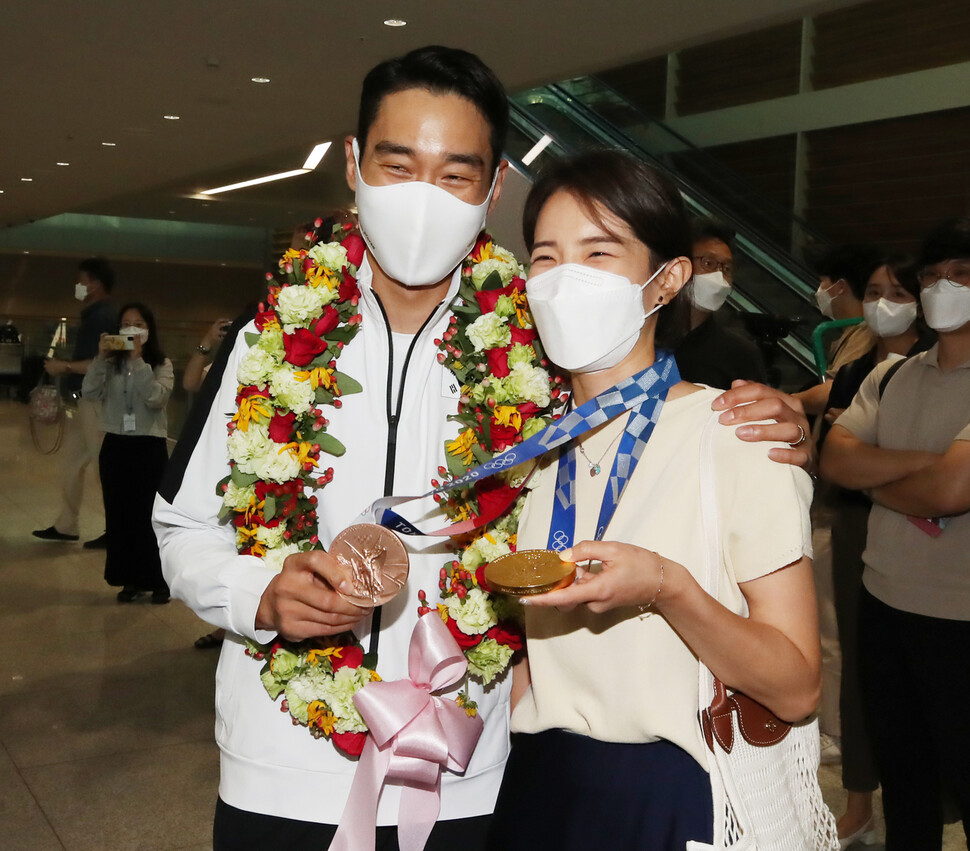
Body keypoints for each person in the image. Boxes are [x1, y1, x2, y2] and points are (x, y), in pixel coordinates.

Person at [153, 46, 816, 849]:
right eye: (398, 166)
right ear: (355, 164)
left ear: (494, 187)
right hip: (282, 762)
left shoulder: (539, 358)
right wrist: (257, 595)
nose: (423, 198)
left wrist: (784, 414)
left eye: (456, 174)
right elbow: (181, 529)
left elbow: (647, 397)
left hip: (471, 774)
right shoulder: (266, 342)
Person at [488, 150, 821, 850]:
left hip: (671, 792)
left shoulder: (735, 435)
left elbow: (796, 686)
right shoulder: (535, 451)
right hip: (541, 781)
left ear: (667, 279)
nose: (564, 277)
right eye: (546, 256)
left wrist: (671, 588)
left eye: (598, 251)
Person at [820, 217, 970, 851]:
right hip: (885, 603)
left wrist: (879, 478)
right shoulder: (895, 374)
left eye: (960, 277)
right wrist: (923, 463)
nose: (942, 289)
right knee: (904, 783)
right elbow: (836, 459)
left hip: (959, 617)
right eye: (933, 277)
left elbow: (950, 493)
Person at [817, 254, 934, 846]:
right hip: (862, 530)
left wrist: (870, 459)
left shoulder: (935, 370)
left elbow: (952, 485)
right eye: (873, 291)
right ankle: (862, 801)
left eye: (898, 291)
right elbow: (834, 457)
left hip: (938, 562)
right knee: (867, 669)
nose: (884, 302)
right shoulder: (868, 367)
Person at [83, 302, 174, 603]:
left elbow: (155, 399)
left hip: (149, 446)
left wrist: (136, 361)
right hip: (116, 445)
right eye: (126, 323)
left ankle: (158, 580)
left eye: (138, 323)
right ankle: (129, 579)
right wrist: (100, 357)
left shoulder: (161, 364)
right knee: (120, 515)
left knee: (150, 516)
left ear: (149, 329)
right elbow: (89, 392)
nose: (132, 329)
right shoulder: (109, 365)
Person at [33, 257, 117, 546]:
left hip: (97, 402)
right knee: (72, 463)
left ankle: (115, 528)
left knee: (102, 466)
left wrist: (64, 367)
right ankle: (66, 524)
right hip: (84, 402)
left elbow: (100, 361)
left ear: (94, 284)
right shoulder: (95, 315)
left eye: (81, 281)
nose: (78, 286)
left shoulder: (103, 317)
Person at [674, 216, 768, 389]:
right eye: (708, 263)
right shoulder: (646, 337)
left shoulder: (740, 354)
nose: (719, 276)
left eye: (726, 269)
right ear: (679, 265)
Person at [795, 244, 881, 416]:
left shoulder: (866, 333)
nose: (819, 290)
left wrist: (787, 400)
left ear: (840, 286)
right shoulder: (853, 331)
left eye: (822, 281)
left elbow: (832, 393)